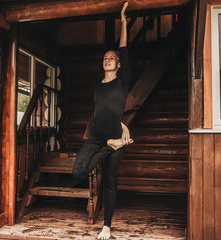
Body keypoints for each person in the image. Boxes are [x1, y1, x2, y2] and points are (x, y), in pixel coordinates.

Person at [72, 2, 132, 239]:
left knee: (109, 182)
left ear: (118, 64)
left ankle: (106, 225)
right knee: (78, 173)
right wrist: (110, 143)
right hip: (98, 136)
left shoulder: (123, 81)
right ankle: (111, 147)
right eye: (105, 58)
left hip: (116, 133)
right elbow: (101, 109)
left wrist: (124, 22)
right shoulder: (96, 86)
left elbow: (124, 49)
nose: (108, 59)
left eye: (112, 58)